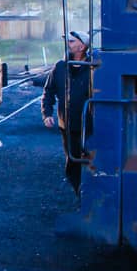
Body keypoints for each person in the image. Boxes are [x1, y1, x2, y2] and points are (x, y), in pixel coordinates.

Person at [43, 31, 93, 189]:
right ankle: (78, 191)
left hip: (89, 125)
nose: (68, 44)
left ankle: (87, 192)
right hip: (67, 125)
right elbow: (48, 91)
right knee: (72, 162)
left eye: (71, 41)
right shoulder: (60, 67)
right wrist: (47, 114)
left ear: (82, 46)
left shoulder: (94, 67)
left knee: (90, 160)